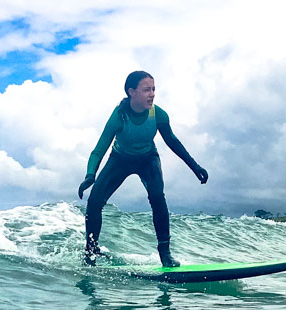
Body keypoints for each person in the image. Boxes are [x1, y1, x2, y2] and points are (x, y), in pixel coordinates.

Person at [78, 71, 208, 267]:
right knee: (94, 202)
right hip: (120, 159)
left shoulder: (158, 115)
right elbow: (99, 149)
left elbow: (173, 142)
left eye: (154, 89)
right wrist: (90, 175)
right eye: (147, 90)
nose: (152, 94)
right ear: (132, 92)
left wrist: (194, 166)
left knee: (157, 198)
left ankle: (165, 254)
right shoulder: (119, 116)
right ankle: (91, 251)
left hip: (147, 159)